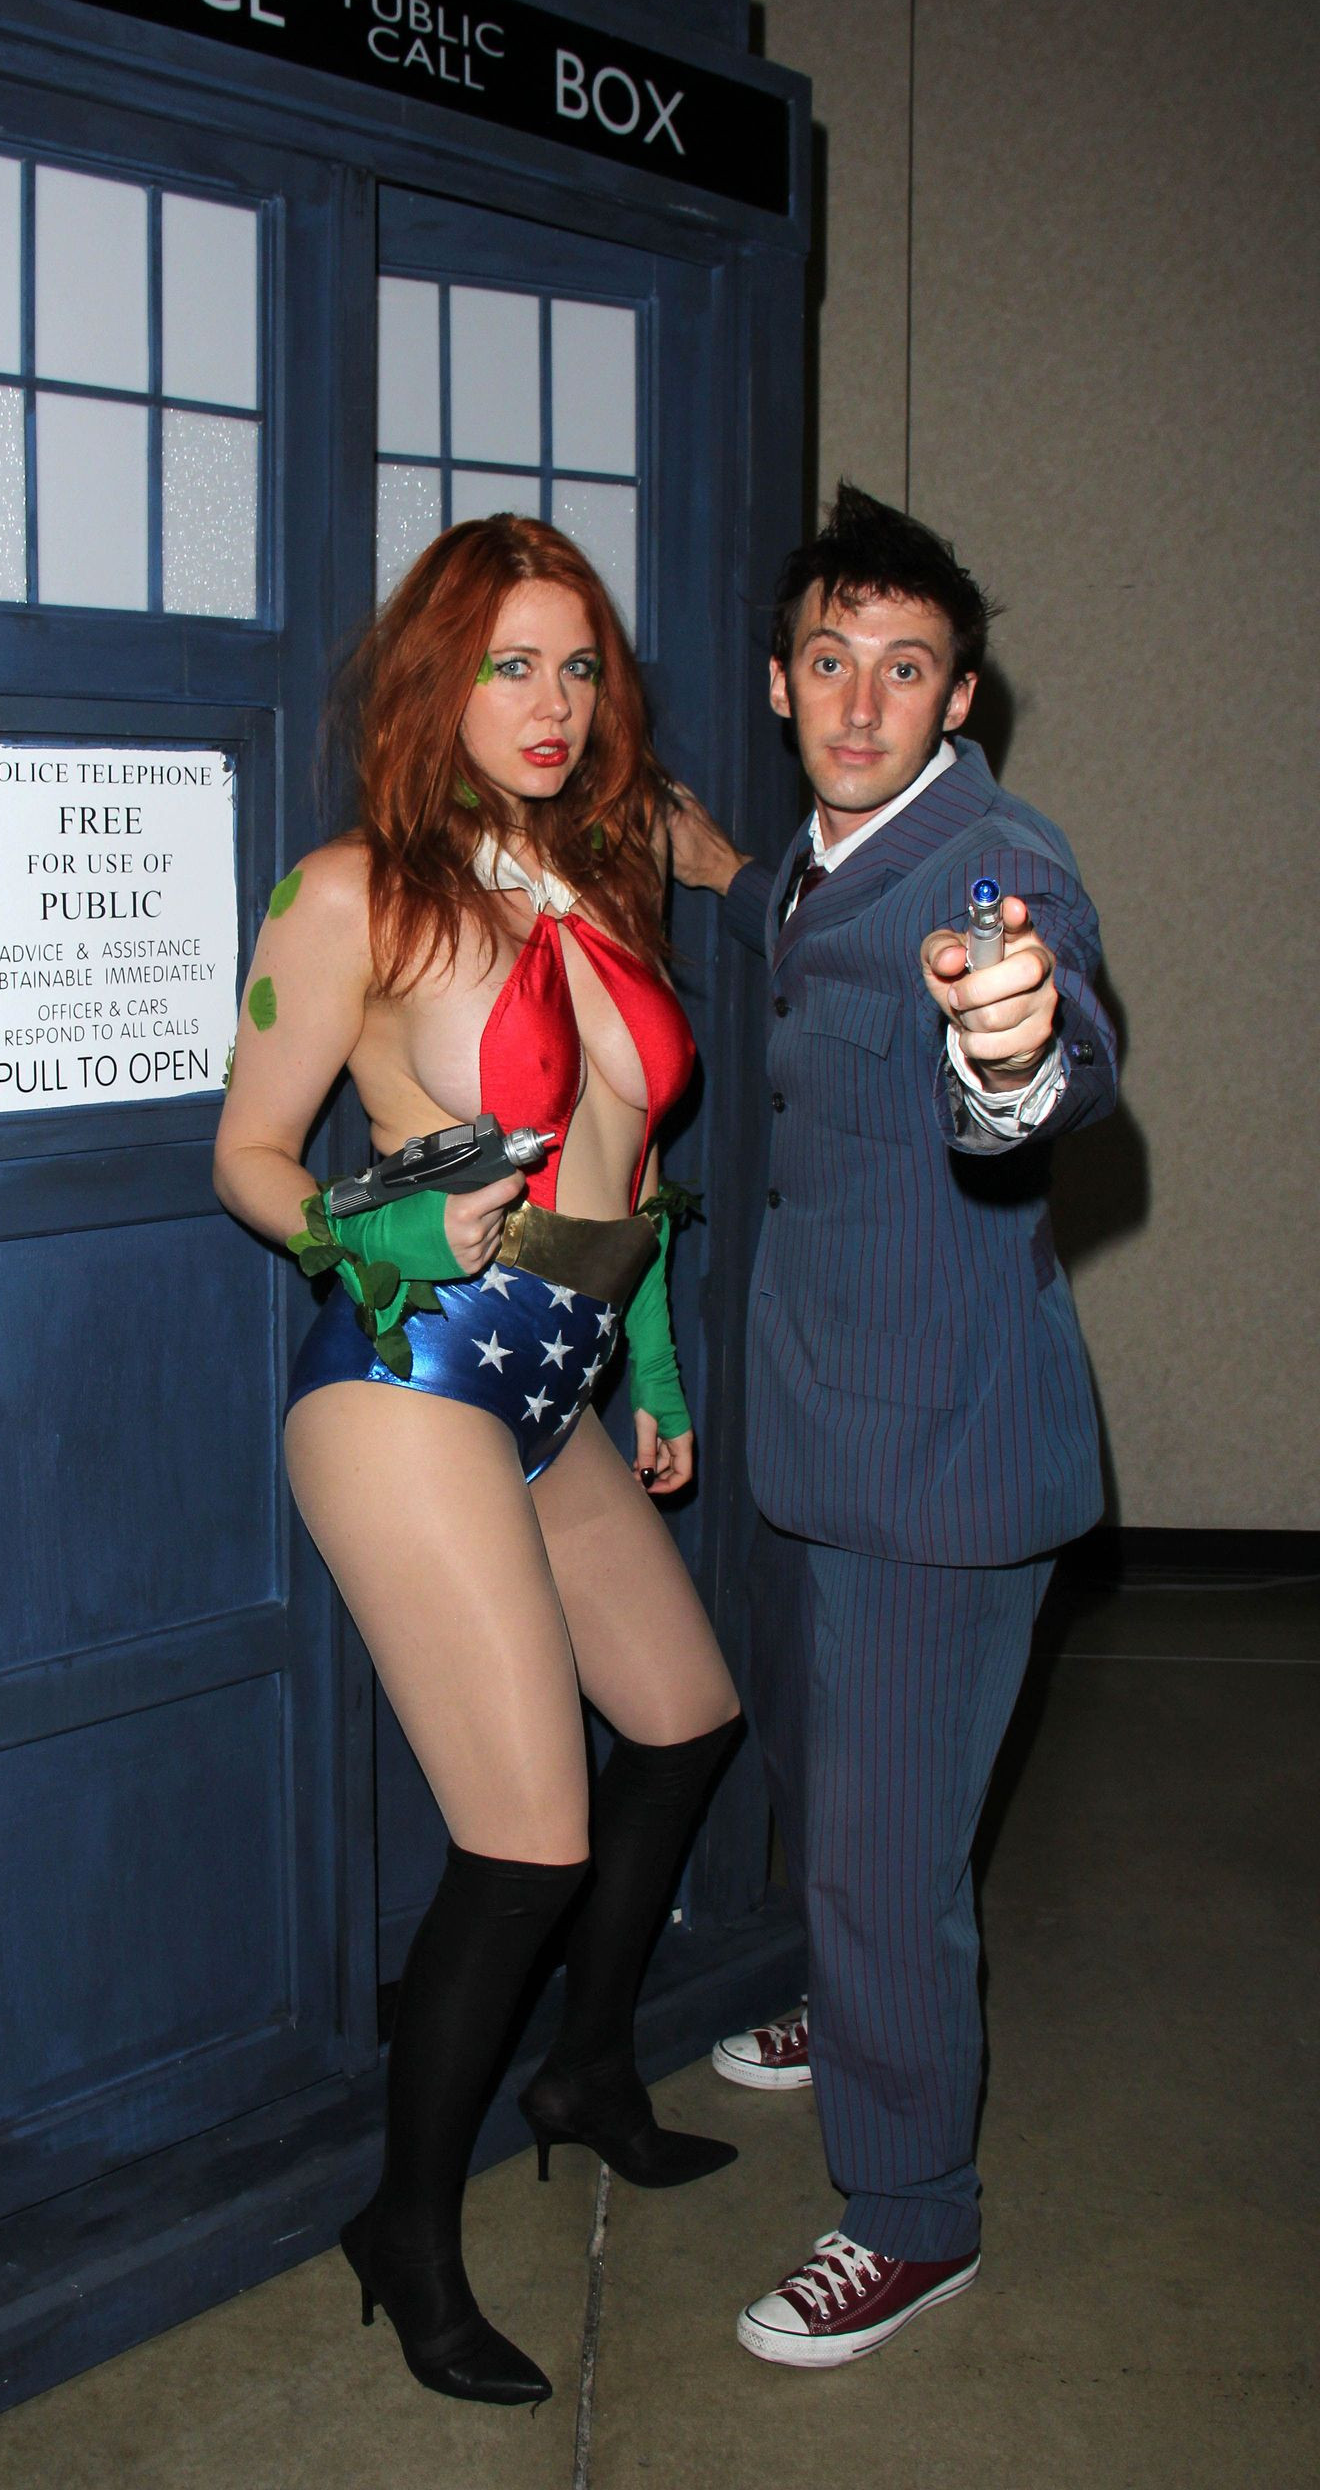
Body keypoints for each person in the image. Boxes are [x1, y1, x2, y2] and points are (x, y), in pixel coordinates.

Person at [213, 515, 742, 2410]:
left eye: (579, 665)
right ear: (439, 681)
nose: (552, 701)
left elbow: (626, 1174)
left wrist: (650, 1366)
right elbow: (246, 1156)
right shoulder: (350, 893)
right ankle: (406, 2232)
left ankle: (584, 2072)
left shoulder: (596, 878)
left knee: (683, 1724)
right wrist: (383, 1227)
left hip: (558, 1379)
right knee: (526, 1839)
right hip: (408, 1379)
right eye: (511, 664)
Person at [666, 485, 1117, 2368]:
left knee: (878, 1854)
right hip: (811, 1428)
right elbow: (783, 914)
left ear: (961, 696)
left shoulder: (991, 867)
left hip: (941, 1460)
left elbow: (1049, 1037)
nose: (864, 703)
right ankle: (859, 2009)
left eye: (907, 669)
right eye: (832, 662)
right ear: (781, 684)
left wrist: (1014, 1047)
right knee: (819, 1761)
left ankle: (917, 2214)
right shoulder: (810, 856)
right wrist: (707, 862)